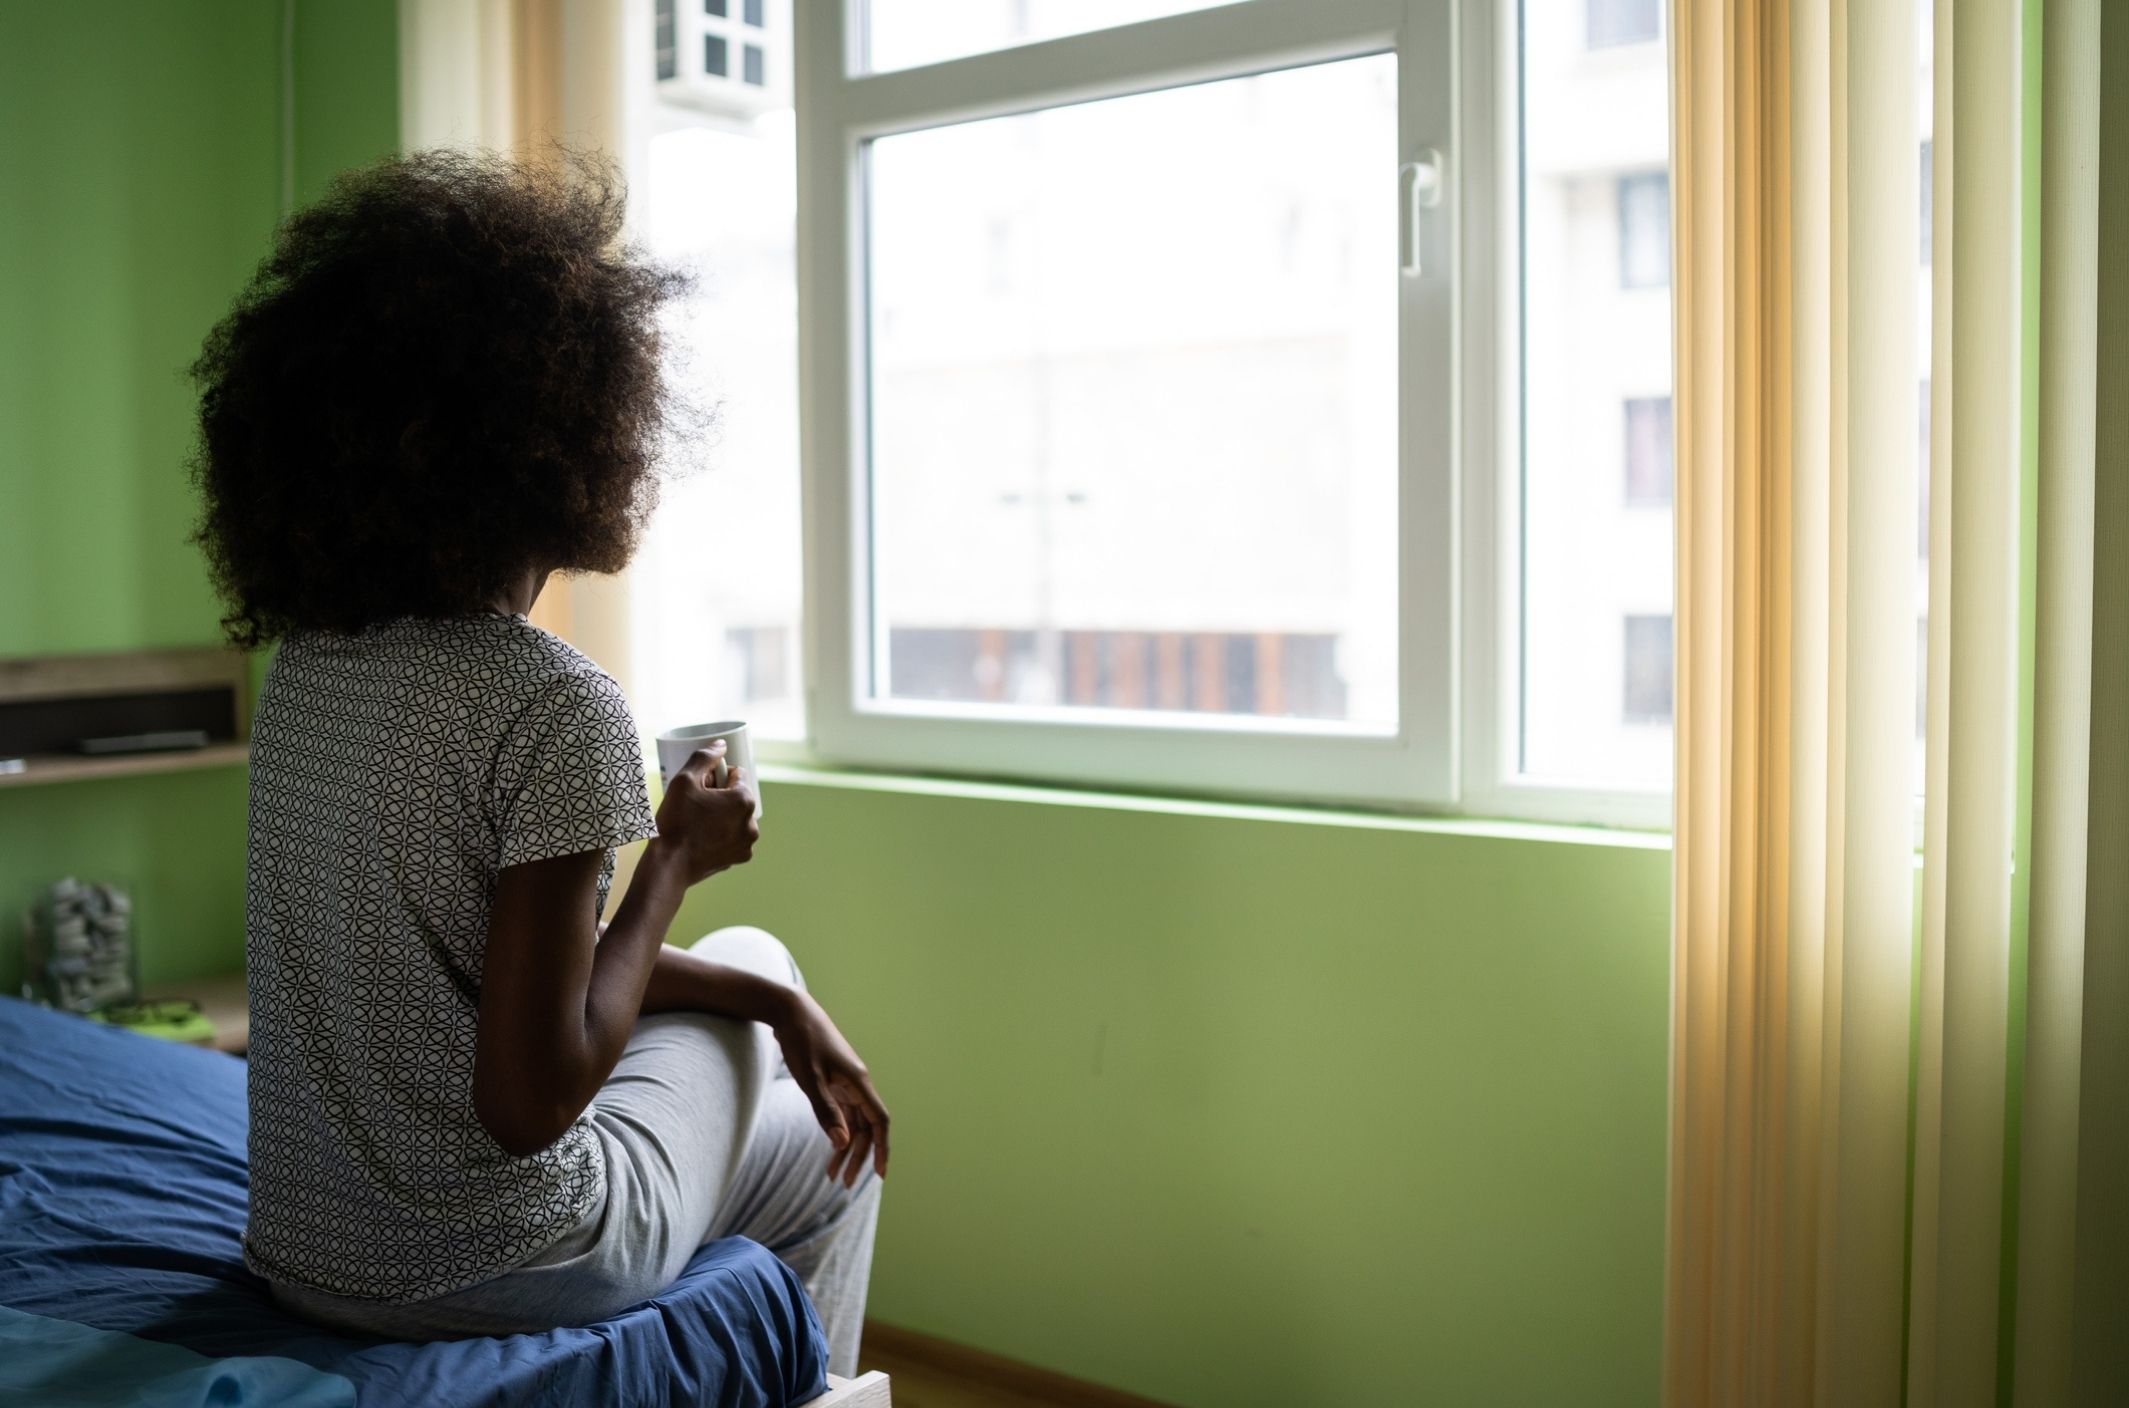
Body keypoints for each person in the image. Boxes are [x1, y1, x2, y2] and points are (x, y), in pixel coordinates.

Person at [188, 150, 886, 1374]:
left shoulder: (309, 664)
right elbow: (530, 1099)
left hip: (304, 1257)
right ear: (570, 434)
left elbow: (490, 980)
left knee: (756, 983)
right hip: (503, 1260)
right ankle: (809, 1384)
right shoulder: (551, 702)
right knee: (811, 1120)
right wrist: (673, 858)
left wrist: (772, 1007)